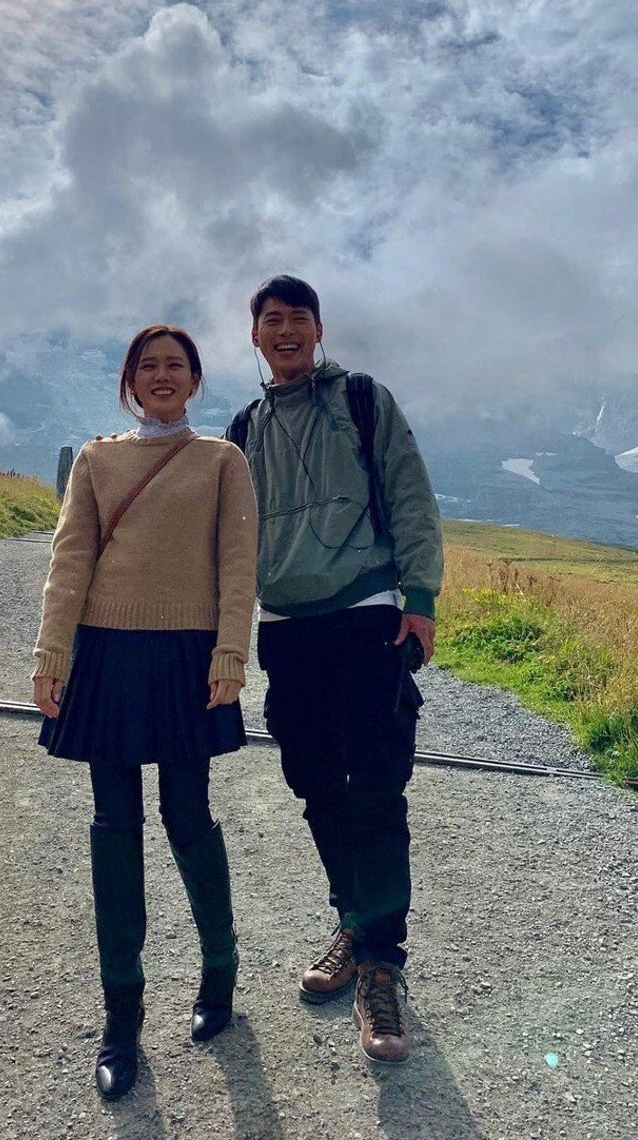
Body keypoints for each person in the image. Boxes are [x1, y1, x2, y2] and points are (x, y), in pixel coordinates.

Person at [32, 325, 258, 1101]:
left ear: (195, 380)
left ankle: (219, 975)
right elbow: (70, 563)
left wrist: (231, 654)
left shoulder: (223, 461)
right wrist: (50, 656)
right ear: (129, 381)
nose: (162, 377)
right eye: (147, 366)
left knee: (188, 817)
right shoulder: (97, 460)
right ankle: (120, 1017)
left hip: (184, 657)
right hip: (106, 653)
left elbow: (237, 564)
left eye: (176, 366)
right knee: (113, 827)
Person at [228, 275, 443, 1065]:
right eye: (270, 321)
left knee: (376, 781)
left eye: (298, 319)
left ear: (318, 330)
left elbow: (410, 493)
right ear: (255, 337)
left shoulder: (361, 399)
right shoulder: (243, 427)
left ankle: (381, 966)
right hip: (286, 628)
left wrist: (418, 597)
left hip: (366, 615)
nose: (285, 331)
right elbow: (226, 542)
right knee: (315, 781)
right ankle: (355, 920)